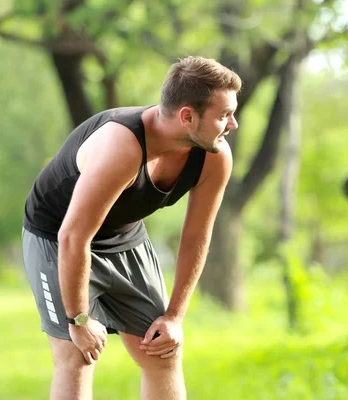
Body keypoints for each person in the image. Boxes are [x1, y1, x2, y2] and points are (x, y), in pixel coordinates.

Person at [21, 56, 241, 400]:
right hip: (56, 236)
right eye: (224, 115)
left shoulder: (214, 155)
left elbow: (197, 236)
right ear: (187, 116)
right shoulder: (120, 146)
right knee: (76, 357)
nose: (233, 124)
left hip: (125, 236)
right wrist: (78, 319)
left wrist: (174, 316)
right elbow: (73, 235)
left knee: (163, 350)